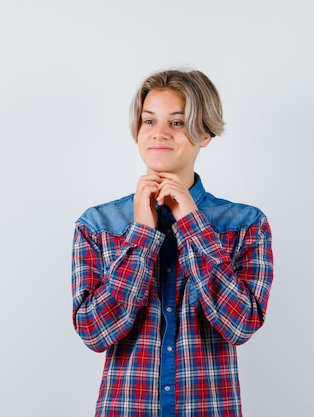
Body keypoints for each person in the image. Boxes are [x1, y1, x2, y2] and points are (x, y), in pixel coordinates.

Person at [71, 68, 274, 417]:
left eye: (177, 123)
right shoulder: (98, 225)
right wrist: (143, 236)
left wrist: (193, 225)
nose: (159, 133)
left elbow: (239, 325)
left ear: (206, 133)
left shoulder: (246, 224)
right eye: (149, 121)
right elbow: (95, 332)